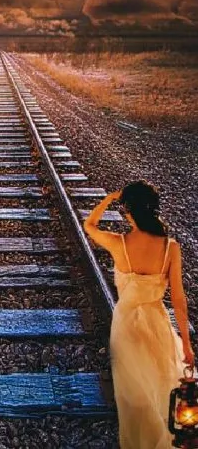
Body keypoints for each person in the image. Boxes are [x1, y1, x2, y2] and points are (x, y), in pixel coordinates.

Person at [83, 179, 195, 449]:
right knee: (161, 382)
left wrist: (109, 198)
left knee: (135, 393)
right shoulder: (171, 248)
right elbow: (179, 300)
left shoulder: (118, 243)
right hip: (157, 322)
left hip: (126, 326)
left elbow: (89, 225)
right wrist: (187, 346)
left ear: (128, 211)